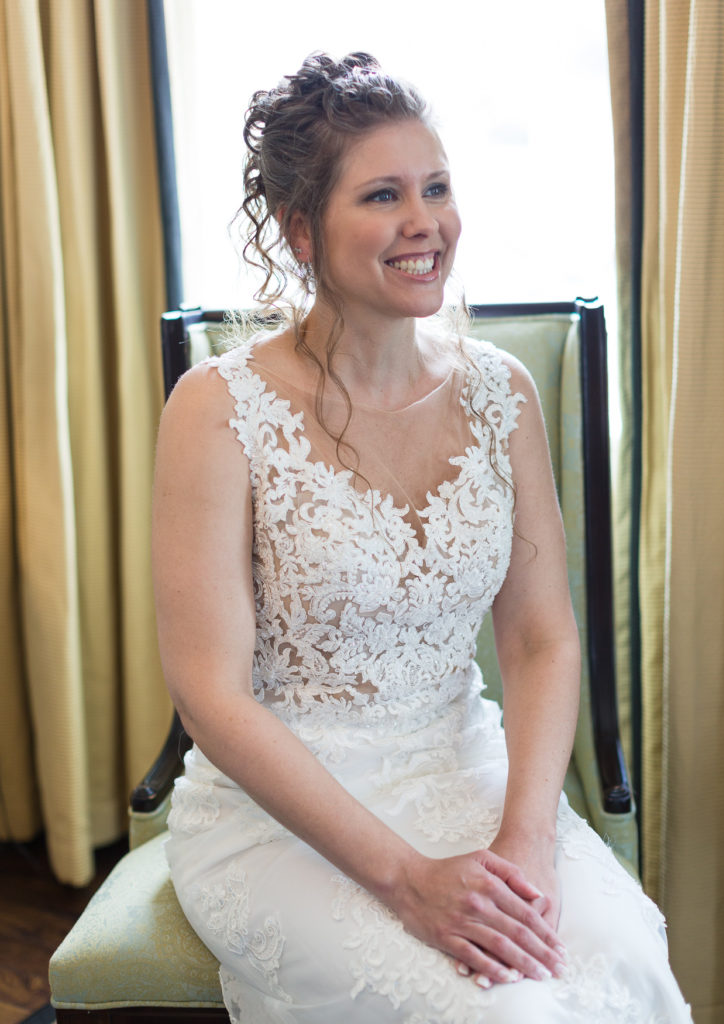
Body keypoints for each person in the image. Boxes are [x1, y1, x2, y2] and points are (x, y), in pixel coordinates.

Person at [153, 51, 692, 1023]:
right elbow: (212, 696)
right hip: (287, 815)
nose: (425, 223)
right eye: (385, 195)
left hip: (467, 768)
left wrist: (526, 835)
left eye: (437, 188)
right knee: (508, 1011)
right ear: (301, 229)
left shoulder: (499, 393)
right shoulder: (217, 409)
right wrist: (407, 881)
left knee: (626, 969)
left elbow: (541, 638)